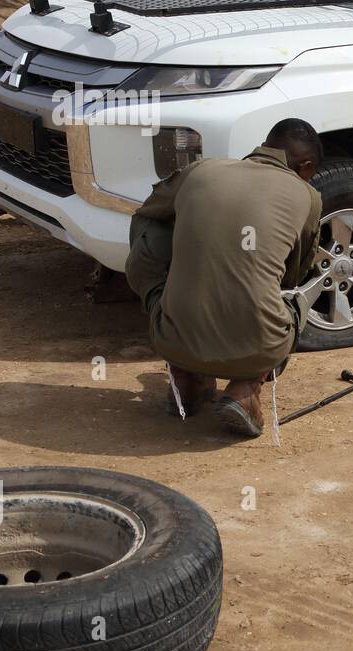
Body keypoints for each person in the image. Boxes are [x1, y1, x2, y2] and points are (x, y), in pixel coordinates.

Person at [125, 119, 323, 437]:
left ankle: (185, 377)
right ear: (306, 165)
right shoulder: (307, 196)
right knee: (297, 298)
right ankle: (245, 391)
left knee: (154, 225)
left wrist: (170, 273)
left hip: (171, 338)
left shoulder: (201, 170)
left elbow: (146, 215)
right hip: (259, 343)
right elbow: (294, 275)